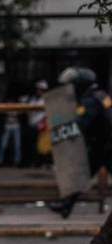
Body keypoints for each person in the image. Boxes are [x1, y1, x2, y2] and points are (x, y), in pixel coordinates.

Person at [48, 67, 112, 218]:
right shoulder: (101, 95)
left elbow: (82, 123)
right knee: (80, 175)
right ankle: (65, 206)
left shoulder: (89, 101)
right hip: (101, 145)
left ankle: (65, 206)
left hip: (105, 146)